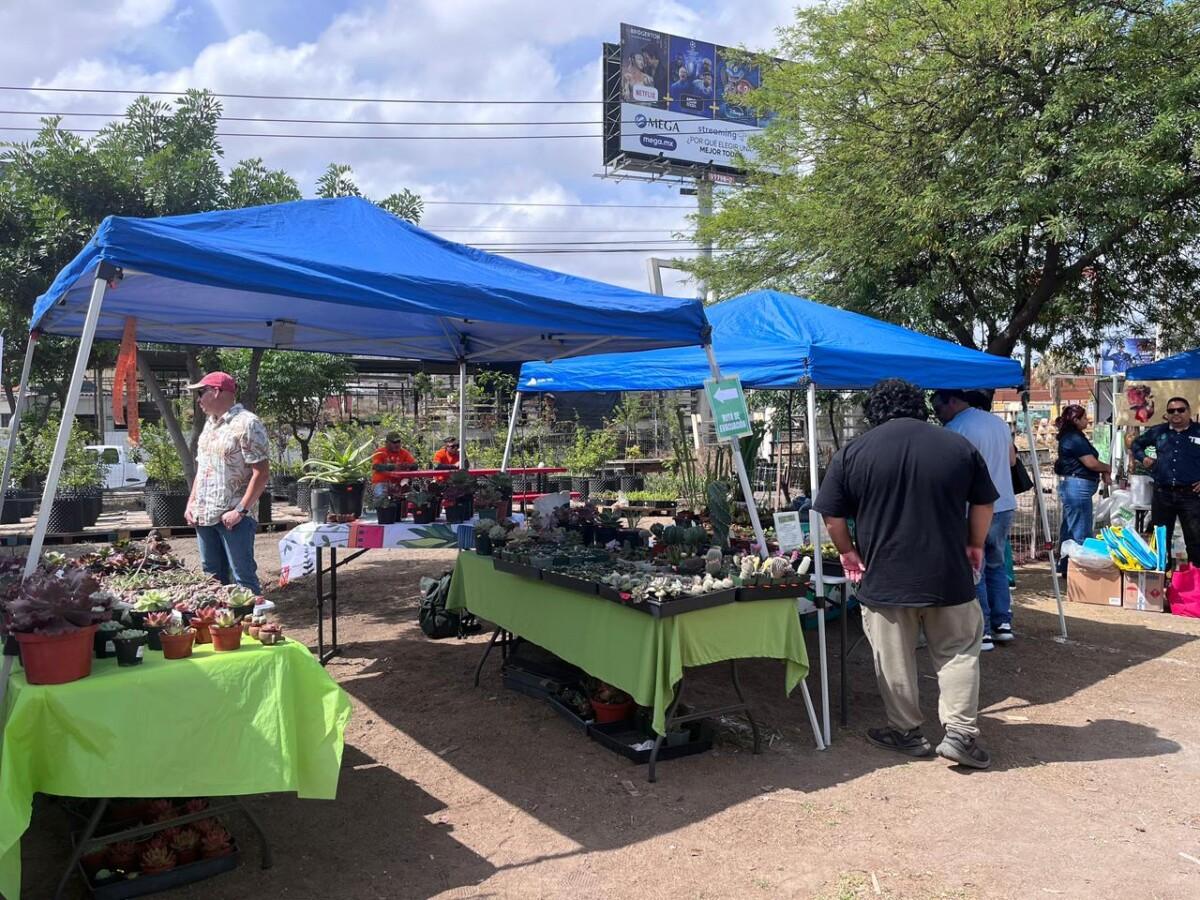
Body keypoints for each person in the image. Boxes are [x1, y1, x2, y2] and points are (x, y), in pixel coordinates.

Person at [816, 379, 997, 769]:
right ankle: (961, 735)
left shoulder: (853, 453)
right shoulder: (956, 445)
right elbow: (984, 502)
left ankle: (906, 732)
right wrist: (975, 543)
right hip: (949, 574)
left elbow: (831, 514)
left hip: (885, 576)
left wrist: (847, 552)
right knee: (959, 653)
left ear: (874, 411)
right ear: (920, 407)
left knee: (893, 659)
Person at [932, 389, 1018, 652]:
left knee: (974, 569)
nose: (938, 415)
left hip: (973, 508)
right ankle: (1003, 624)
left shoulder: (955, 429)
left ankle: (982, 631)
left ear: (953, 401)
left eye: (939, 409)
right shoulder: (998, 423)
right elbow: (1013, 460)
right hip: (1004, 504)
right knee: (995, 564)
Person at [184, 372, 269, 594]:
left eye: (201, 393)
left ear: (217, 391)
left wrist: (240, 510)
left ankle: (249, 627)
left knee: (242, 578)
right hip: (204, 516)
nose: (198, 399)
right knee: (211, 578)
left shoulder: (247, 423)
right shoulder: (209, 425)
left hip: (233, 518)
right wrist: (191, 503)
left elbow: (261, 473)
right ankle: (219, 628)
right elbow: (203, 468)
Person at [1131, 396, 1200, 564]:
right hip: (1163, 494)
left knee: (1195, 541)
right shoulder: (1158, 431)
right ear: (1167, 414)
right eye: (1171, 411)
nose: (1176, 413)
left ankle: (1195, 583)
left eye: (1181, 410)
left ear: (1189, 412)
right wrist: (1144, 458)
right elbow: (1136, 445)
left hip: (1191, 496)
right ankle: (1161, 582)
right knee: (1160, 541)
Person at [1054, 405, 1111, 572]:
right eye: (1085, 418)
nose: (1088, 420)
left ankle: (1065, 566)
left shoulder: (1074, 437)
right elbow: (1091, 463)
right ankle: (1079, 568)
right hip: (1077, 487)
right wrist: (1106, 468)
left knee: (1071, 527)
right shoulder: (1074, 439)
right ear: (1076, 420)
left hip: (1076, 486)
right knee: (1080, 528)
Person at [371, 431, 417, 501]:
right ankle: (383, 509)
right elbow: (376, 466)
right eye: (394, 442)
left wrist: (408, 465)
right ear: (387, 443)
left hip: (399, 484)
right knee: (381, 498)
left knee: (414, 497)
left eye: (399, 442)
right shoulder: (379, 452)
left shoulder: (404, 453)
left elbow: (415, 465)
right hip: (382, 482)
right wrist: (393, 467)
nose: (397, 444)